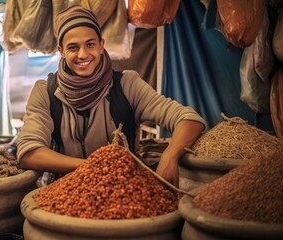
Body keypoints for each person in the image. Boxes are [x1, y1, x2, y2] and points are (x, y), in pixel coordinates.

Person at [16, 5, 206, 187]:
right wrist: (90, 167)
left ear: (101, 45)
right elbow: (28, 152)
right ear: (61, 51)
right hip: (65, 191)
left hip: (124, 190)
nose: (83, 54)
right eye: (73, 47)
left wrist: (170, 155)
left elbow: (189, 119)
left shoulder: (126, 85)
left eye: (90, 44)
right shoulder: (46, 91)